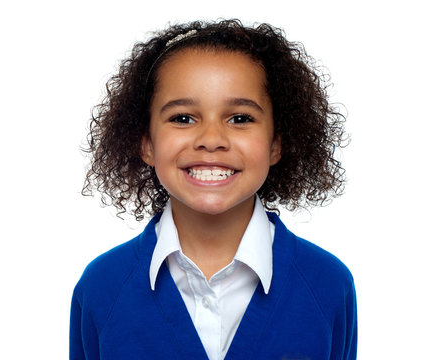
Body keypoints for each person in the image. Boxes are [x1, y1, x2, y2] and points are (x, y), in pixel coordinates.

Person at [71, 19, 357, 360]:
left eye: (239, 118)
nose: (211, 140)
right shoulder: (101, 287)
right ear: (146, 143)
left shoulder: (327, 284)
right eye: (182, 118)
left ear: (276, 143)